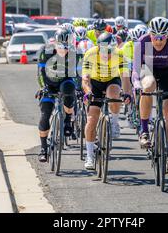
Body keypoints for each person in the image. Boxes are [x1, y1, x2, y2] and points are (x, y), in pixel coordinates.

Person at [132, 17, 168, 174]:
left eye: (162, 37)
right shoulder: (144, 42)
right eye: (155, 36)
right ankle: (144, 131)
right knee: (148, 86)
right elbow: (136, 69)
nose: (158, 41)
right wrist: (137, 84)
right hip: (148, 68)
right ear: (149, 34)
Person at [82, 32, 132, 170]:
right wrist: (88, 93)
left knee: (114, 94)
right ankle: (90, 156)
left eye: (109, 51)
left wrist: (127, 94)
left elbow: (125, 78)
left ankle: (114, 122)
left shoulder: (120, 54)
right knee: (92, 119)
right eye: (102, 50)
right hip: (95, 82)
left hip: (112, 80)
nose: (105, 54)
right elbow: (85, 79)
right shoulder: (90, 54)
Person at [36, 28, 82, 163]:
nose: (64, 49)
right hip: (49, 84)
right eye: (61, 46)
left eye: (67, 46)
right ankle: (43, 149)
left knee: (69, 89)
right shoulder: (46, 51)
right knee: (45, 115)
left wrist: (79, 89)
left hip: (65, 81)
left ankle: (68, 120)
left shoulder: (76, 53)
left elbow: (79, 73)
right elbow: (40, 73)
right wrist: (43, 87)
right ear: (55, 43)